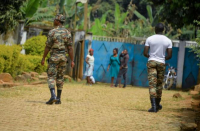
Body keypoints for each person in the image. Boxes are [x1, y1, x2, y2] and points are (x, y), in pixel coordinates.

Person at [41, 14, 75, 105]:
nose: (54, 21)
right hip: (63, 58)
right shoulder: (67, 32)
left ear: (58, 21)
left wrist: (43, 58)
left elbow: (48, 47)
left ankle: (53, 96)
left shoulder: (52, 32)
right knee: (60, 77)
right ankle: (58, 99)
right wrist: (72, 60)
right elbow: (70, 48)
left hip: (54, 58)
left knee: (51, 76)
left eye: (55, 19)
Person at [143, 23, 172, 112]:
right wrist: (163, 58)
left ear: (155, 29)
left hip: (151, 62)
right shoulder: (168, 40)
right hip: (161, 63)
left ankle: (153, 106)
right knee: (159, 84)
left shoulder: (150, 39)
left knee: (152, 84)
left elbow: (145, 53)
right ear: (163, 30)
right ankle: (158, 104)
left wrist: (151, 57)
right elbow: (170, 55)